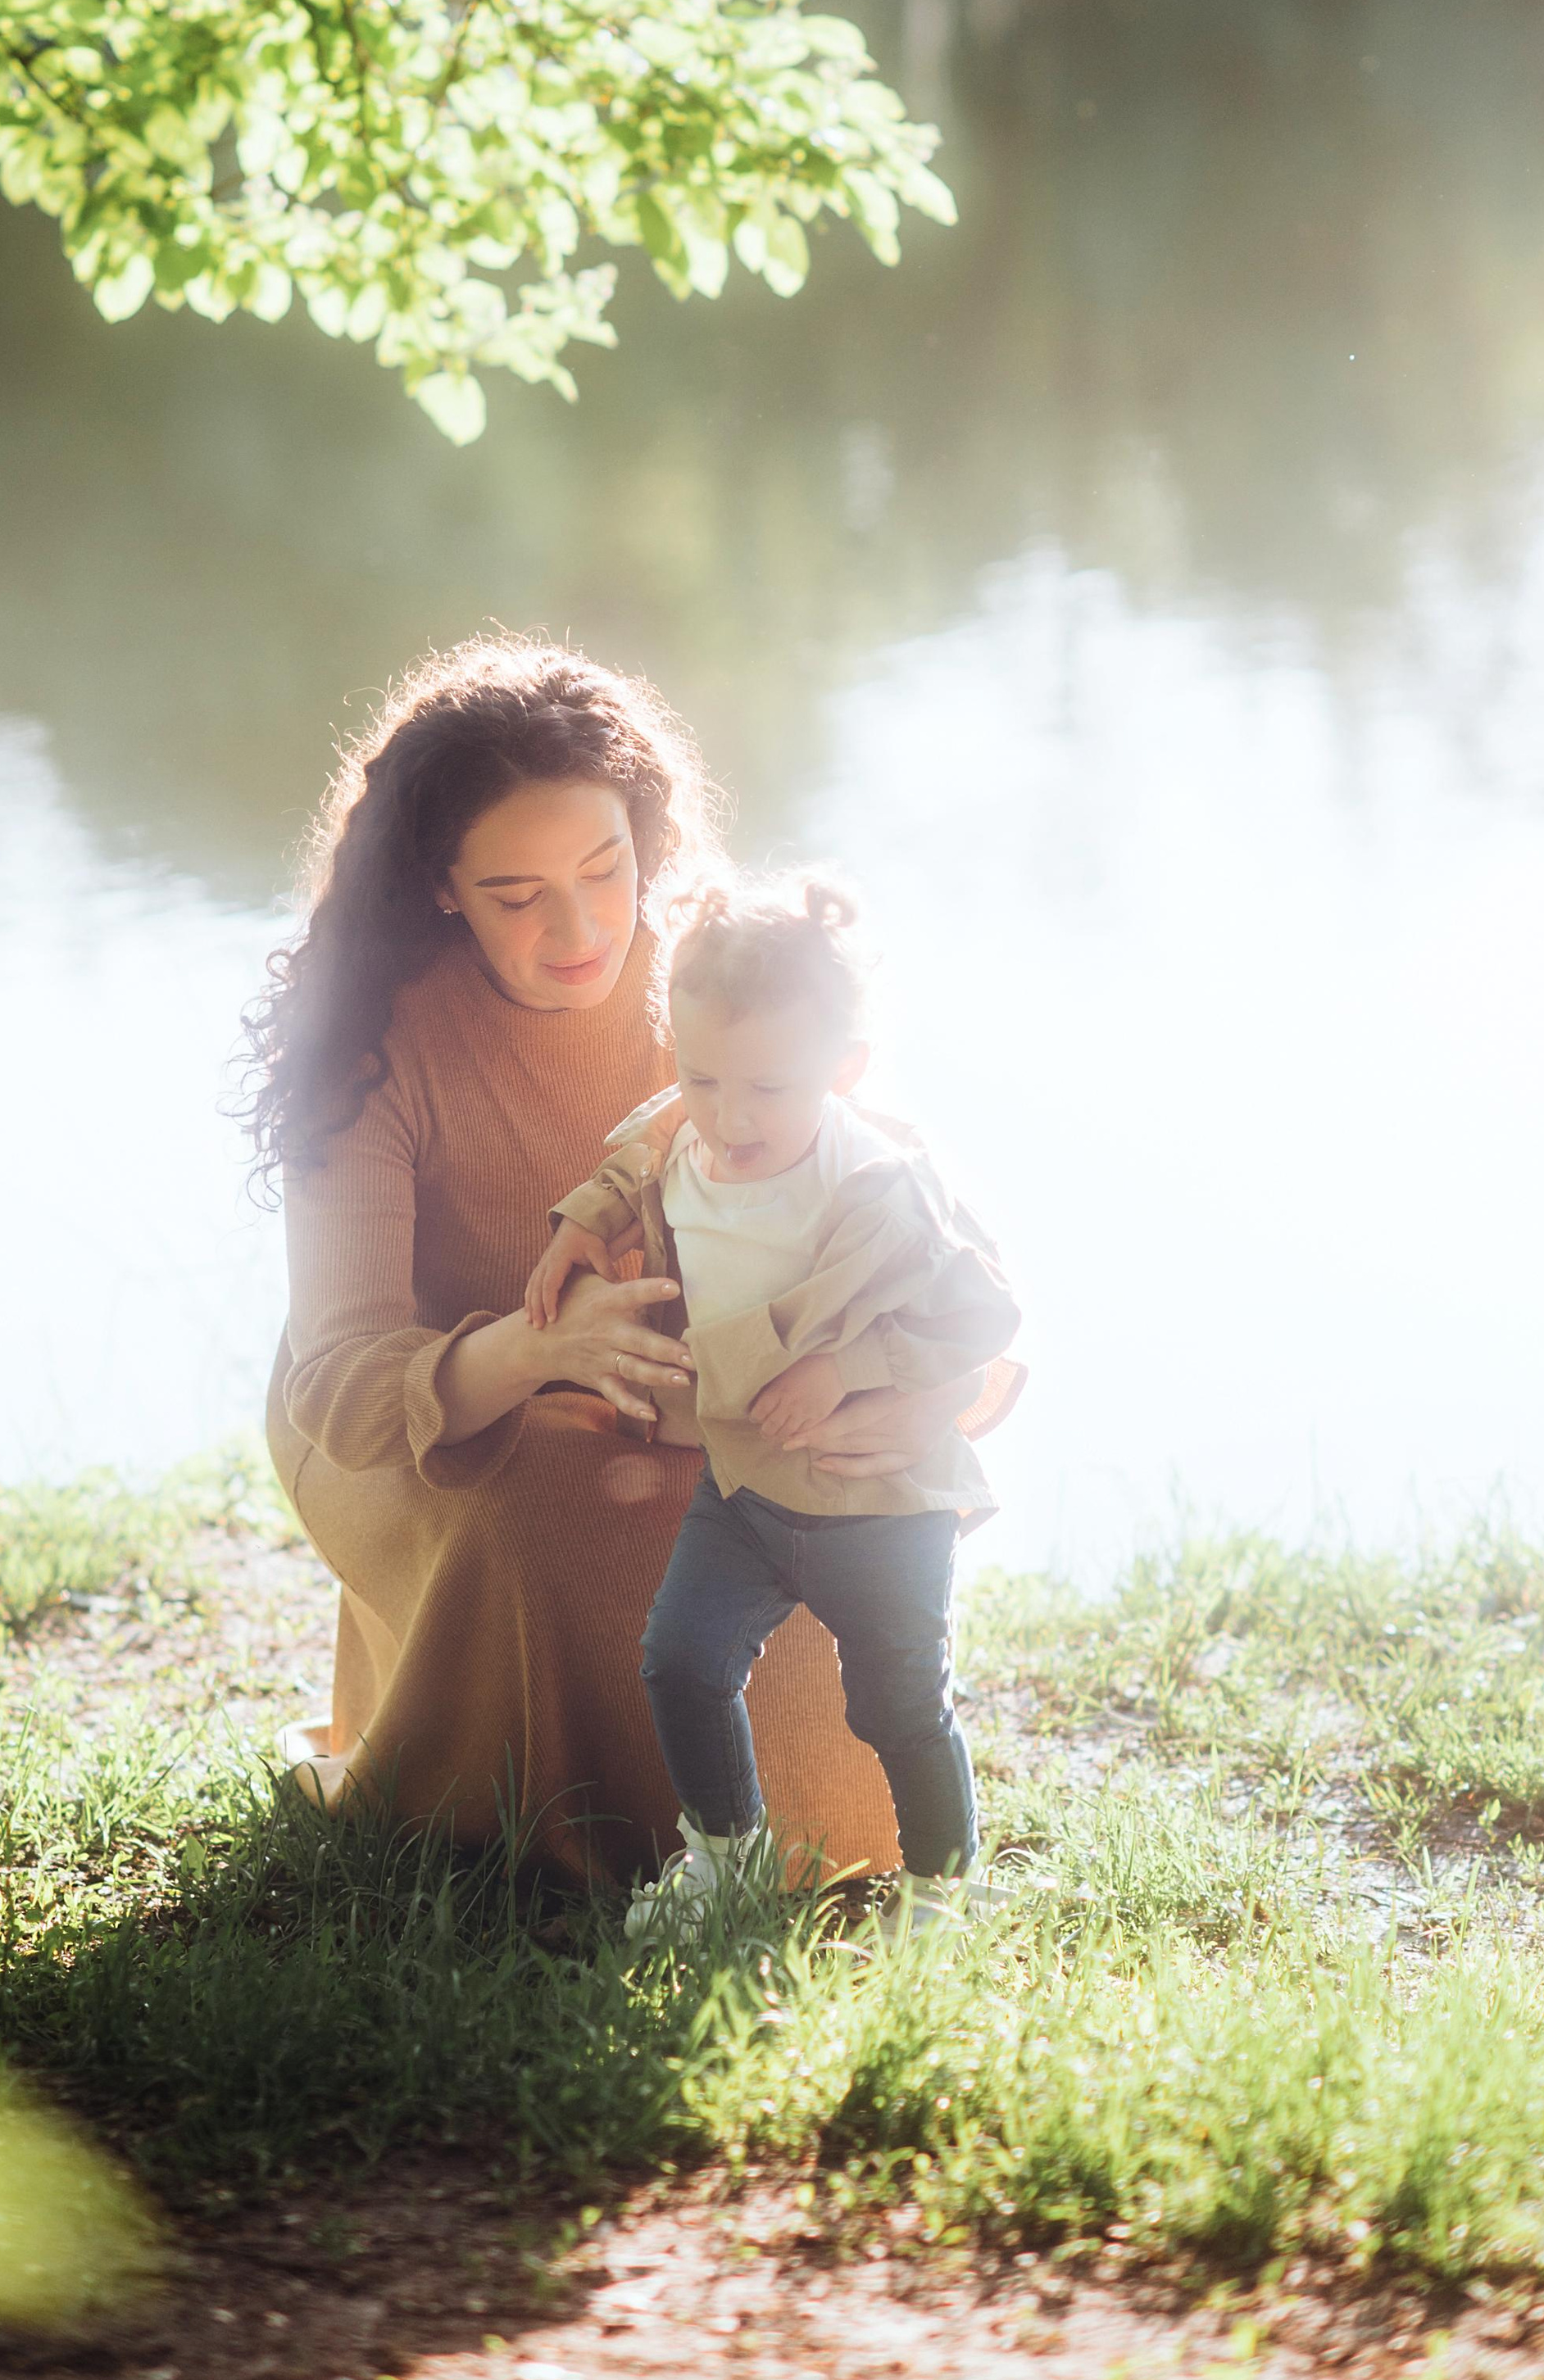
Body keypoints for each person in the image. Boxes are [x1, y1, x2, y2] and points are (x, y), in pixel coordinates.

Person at [247, 635, 1015, 1890]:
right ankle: (563, 1843)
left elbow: (913, 1218)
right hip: (437, 1420)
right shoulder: (372, 1046)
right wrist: (538, 1350)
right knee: (549, 1515)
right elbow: (336, 1387)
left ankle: (810, 1843)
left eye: (607, 871)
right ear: (442, 887)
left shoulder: (707, 976)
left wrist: (920, 1398)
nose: (580, 930)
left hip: (692, 1405)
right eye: (517, 896)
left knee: (812, 1506)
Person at [526, 879, 1020, 1929]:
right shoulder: (685, 1138)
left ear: (843, 1073)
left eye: (766, 1088)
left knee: (894, 1705)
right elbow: (644, 1145)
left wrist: (851, 1368)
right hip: (747, 1486)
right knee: (682, 1659)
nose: (729, 1115)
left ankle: (941, 1891)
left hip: (878, 1496)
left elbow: (982, 1313)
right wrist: (584, 1216)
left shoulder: (882, 1182)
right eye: (701, 1076)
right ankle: (725, 1856)